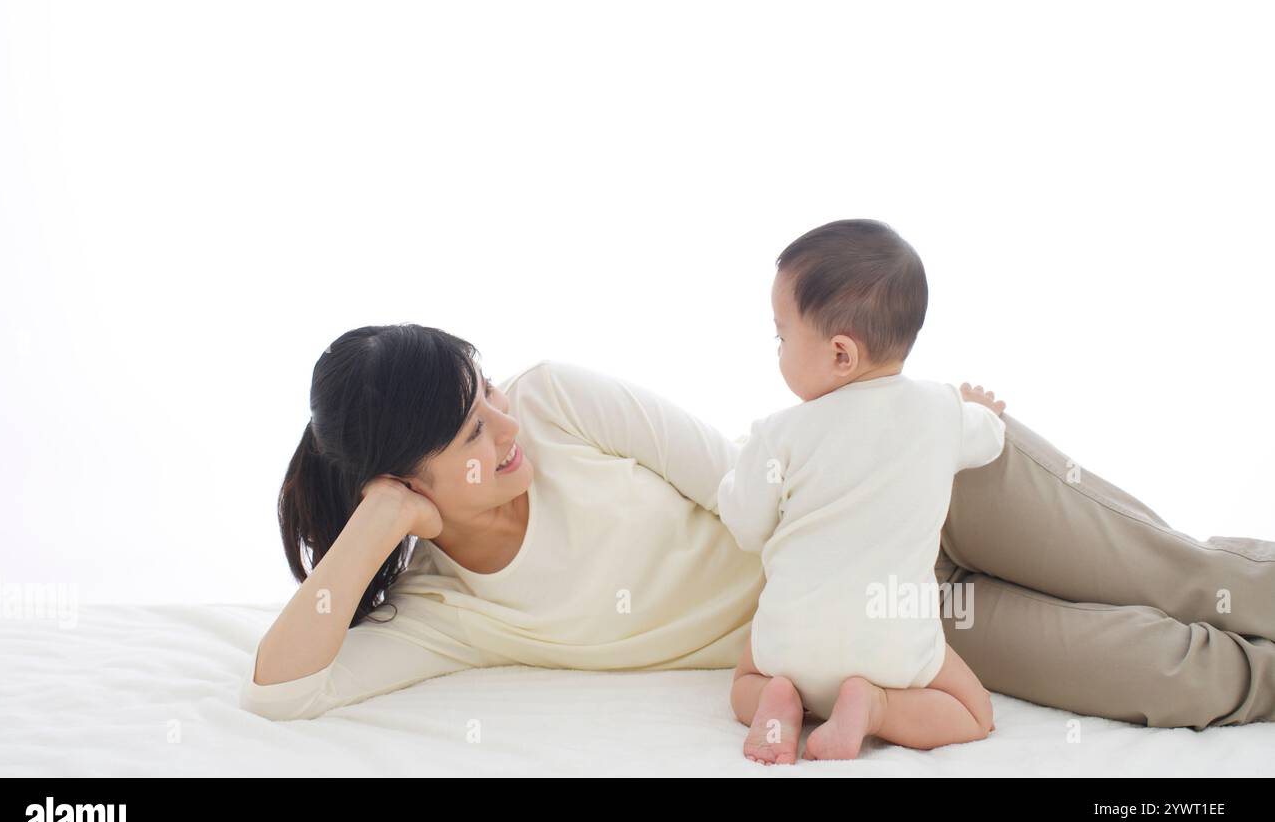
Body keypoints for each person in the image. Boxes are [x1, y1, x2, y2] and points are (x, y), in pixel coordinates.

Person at [241, 305, 1275, 745]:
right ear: (400, 483)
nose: (505, 425)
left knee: (1178, 573)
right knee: (1173, 676)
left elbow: (745, 475)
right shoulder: (445, 611)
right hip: (886, 619)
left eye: (485, 390)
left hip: (917, 486)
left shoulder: (553, 401)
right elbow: (282, 691)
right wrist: (375, 527)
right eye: (471, 428)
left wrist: (903, 428)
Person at [719, 219, 1006, 764]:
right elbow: (988, 439)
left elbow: (746, 524)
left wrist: (736, 477)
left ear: (841, 354)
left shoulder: (777, 434)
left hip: (790, 645)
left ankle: (780, 701)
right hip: (894, 643)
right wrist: (979, 409)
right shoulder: (941, 411)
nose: (777, 347)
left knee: (743, 682)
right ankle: (875, 708)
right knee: (975, 712)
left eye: (781, 335)